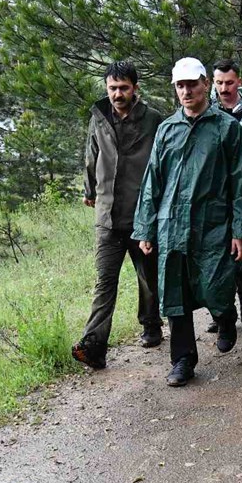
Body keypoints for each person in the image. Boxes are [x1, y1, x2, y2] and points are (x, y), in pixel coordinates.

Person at [133, 57, 242, 387]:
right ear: (174, 88)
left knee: (215, 283)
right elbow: (152, 181)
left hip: (213, 224)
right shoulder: (167, 129)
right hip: (171, 224)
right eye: (180, 85)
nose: (187, 91)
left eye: (192, 84)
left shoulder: (226, 128)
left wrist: (240, 231)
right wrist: (145, 226)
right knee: (174, 290)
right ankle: (183, 359)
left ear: (206, 84)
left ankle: (226, 315)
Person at [72, 61, 167, 370]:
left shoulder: (153, 120)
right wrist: (89, 189)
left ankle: (151, 324)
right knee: (104, 282)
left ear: (135, 89)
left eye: (123, 88)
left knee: (148, 278)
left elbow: (162, 162)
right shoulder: (98, 117)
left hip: (142, 216)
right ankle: (95, 345)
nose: (117, 94)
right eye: (112, 88)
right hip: (107, 216)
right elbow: (91, 154)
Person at [209, 58, 242, 329]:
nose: (224, 88)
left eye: (229, 82)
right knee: (216, 254)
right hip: (214, 190)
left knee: (239, 253)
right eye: (218, 83)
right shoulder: (207, 110)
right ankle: (221, 311)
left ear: (238, 81)